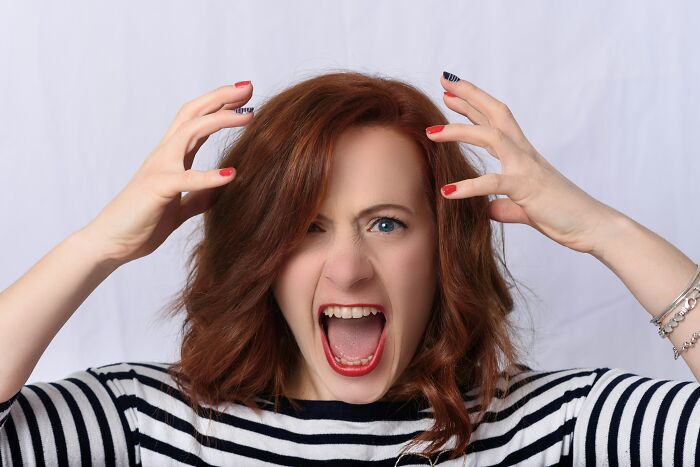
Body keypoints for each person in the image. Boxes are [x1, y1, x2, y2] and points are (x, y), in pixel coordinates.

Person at [0, 71, 698, 466]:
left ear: (443, 248)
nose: (349, 267)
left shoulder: (556, 428)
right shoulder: (144, 423)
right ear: (264, 255)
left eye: (386, 223)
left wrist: (608, 231)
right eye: (306, 228)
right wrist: (97, 245)